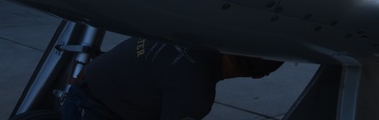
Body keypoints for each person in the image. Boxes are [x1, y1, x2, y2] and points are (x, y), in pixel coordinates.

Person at [61, 37, 283, 119]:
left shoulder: (189, 33)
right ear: (259, 76)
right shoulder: (196, 93)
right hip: (94, 110)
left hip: (82, 88)